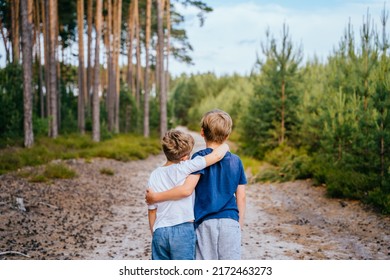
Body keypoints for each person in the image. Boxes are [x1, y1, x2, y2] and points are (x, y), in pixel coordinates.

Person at [146, 109, 247, 260]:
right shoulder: (236, 161)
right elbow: (242, 196)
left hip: (205, 222)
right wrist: (239, 223)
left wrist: (155, 197)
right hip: (230, 221)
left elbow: (187, 189)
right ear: (227, 136)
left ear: (202, 133)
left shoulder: (198, 157)